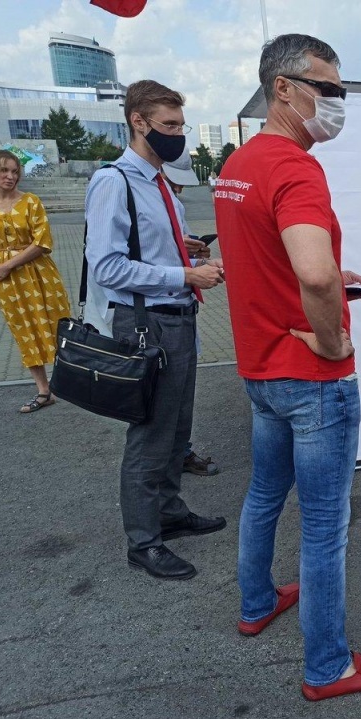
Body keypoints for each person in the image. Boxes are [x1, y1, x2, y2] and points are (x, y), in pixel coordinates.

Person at [214, 33, 361, 701]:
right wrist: (331, 340)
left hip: (260, 372)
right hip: (311, 380)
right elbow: (314, 274)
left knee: (264, 494)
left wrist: (322, 283)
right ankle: (329, 665)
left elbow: (271, 261)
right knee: (324, 525)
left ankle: (257, 600)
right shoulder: (295, 168)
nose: (338, 102)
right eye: (329, 88)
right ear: (284, 89)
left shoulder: (238, 164)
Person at [85, 80, 227, 581]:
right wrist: (182, 274)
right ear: (138, 122)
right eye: (169, 126)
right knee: (150, 434)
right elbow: (106, 266)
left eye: (181, 126)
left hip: (177, 317)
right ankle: (143, 541)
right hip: (147, 322)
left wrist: (182, 248)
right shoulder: (114, 181)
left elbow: (143, 248)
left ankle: (169, 512)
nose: (178, 135)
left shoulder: (161, 182)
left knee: (176, 428)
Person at [0, 149, 70, 413]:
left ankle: (73, 383)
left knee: (57, 326)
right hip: (9, 283)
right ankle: (44, 391)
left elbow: (43, 243)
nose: (10, 176)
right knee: (24, 330)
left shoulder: (31, 201)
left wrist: (9, 264)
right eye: (4, 170)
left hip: (40, 273)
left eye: (15, 171)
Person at [160, 148, 221, 477]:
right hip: (153, 316)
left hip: (181, 308)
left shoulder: (175, 205)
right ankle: (167, 463)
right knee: (161, 402)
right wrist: (187, 270)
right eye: (174, 183)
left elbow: (173, 254)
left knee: (183, 394)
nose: (178, 189)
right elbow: (113, 268)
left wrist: (197, 257)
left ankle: (179, 455)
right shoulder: (124, 191)